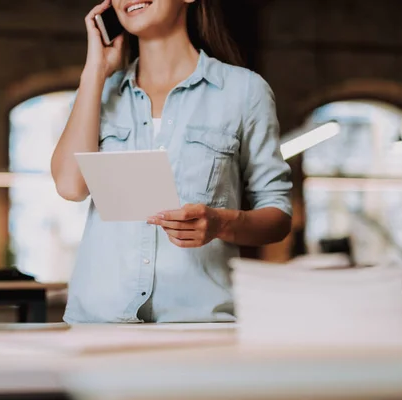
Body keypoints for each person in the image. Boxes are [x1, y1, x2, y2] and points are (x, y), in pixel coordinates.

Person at [51, 0, 292, 323]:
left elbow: (278, 215)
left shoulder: (244, 91)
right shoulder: (99, 91)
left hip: (198, 327)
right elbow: (70, 186)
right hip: (98, 323)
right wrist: (94, 70)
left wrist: (221, 223)